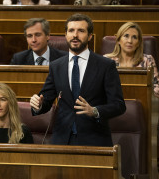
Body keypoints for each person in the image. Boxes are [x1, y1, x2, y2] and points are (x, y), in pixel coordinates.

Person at [29, 13, 126, 146]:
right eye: (71, 30)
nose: (75, 35)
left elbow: (119, 105)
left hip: (94, 140)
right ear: (66, 35)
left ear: (90, 36)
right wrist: (38, 104)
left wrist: (95, 111)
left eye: (81, 31)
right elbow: (45, 100)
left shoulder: (105, 65)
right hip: (62, 141)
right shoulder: (56, 66)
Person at [104, 22, 159, 97]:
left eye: (134, 37)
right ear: (118, 40)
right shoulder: (106, 60)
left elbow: (156, 87)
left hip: (141, 102)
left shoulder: (147, 60)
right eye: (126, 36)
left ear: (139, 43)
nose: (130, 41)